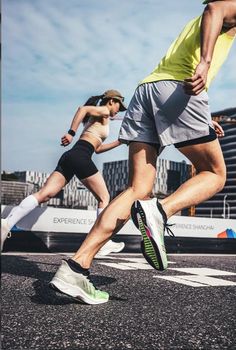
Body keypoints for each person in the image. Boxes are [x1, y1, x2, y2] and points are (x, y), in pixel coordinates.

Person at [50, 0, 236, 304]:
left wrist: (204, 118)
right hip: (180, 88)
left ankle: (76, 268)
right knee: (215, 173)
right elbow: (214, 8)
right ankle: (159, 212)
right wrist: (204, 61)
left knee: (138, 189)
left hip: (147, 91)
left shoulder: (198, 26)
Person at [1, 89, 127, 255]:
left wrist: (120, 142)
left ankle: (6, 224)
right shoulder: (103, 111)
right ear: (111, 101)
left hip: (71, 156)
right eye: (119, 105)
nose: (119, 109)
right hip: (81, 156)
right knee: (104, 197)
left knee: (45, 194)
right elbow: (82, 109)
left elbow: (97, 149)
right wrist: (71, 132)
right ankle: (101, 242)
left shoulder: (100, 120)